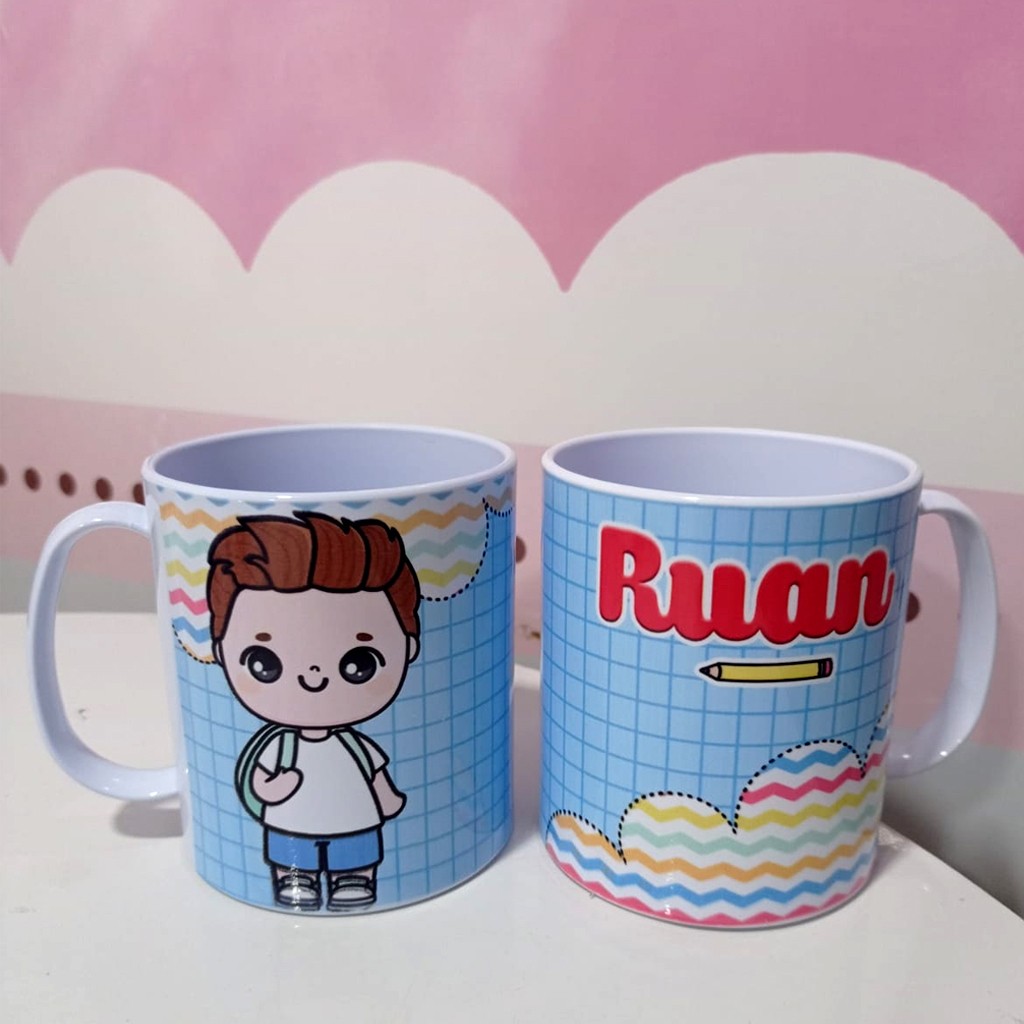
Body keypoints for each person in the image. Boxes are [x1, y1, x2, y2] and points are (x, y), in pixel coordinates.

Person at [207, 512, 420, 911]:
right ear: (221, 653)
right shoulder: (281, 746)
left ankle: (353, 879)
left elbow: (374, 774)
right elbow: (259, 779)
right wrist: (269, 789)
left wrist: (387, 798)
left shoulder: (354, 747)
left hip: (355, 817)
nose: (313, 679)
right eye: (264, 663)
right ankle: (295, 877)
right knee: (293, 849)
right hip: (292, 818)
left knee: (356, 849)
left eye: (358, 663)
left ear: (407, 648)